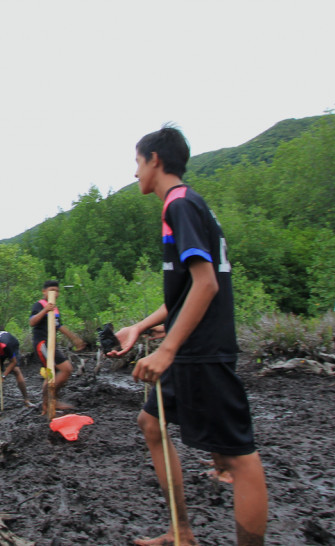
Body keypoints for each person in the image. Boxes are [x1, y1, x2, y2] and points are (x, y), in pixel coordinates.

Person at [109, 126, 268, 546]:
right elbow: (184, 292)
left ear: (155, 160)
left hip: (202, 349)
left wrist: (167, 349)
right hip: (191, 348)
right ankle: (181, 533)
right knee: (151, 424)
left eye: (138, 162)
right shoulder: (186, 205)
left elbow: (207, 284)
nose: (136, 171)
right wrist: (141, 327)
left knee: (240, 459)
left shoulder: (179, 205)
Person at [29, 280, 83, 416]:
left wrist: (74, 338)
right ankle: (49, 402)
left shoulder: (56, 309)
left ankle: (49, 401)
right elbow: (32, 321)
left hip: (51, 344)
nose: (55, 293)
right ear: (44, 292)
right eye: (51, 290)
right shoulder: (39, 305)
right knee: (58, 371)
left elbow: (59, 326)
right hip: (42, 344)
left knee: (61, 371)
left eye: (57, 290)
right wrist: (45, 310)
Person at [0, 329, 32, 407]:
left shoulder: (5, 344)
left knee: (16, 370)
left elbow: (13, 362)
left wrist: (3, 377)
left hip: (12, 346)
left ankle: (26, 399)